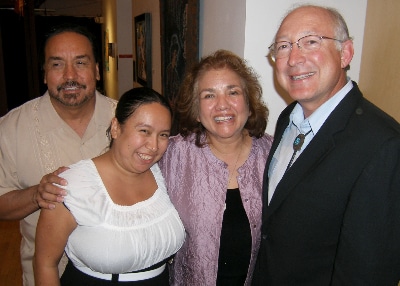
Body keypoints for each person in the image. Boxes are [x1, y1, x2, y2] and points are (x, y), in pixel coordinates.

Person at [252, 4, 400, 285]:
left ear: (345, 53)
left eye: (311, 42)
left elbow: (370, 273)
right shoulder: (288, 119)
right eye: (283, 46)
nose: (294, 58)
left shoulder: (383, 147)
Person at [0, 23, 117, 285]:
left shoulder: (127, 121)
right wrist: (35, 195)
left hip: (118, 273)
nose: (69, 75)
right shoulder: (10, 129)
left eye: (80, 63)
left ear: (97, 70)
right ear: (44, 74)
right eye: (56, 64)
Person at [34, 87, 185, 286]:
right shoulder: (72, 185)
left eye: (163, 135)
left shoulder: (164, 173)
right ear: (116, 128)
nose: (154, 145)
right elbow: (45, 264)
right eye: (144, 131)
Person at [159, 49, 273, 285]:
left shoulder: (275, 155)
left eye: (233, 92)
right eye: (209, 96)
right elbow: (125, 165)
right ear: (196, 111)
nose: (222, 105)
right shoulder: (172, 154)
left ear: (249, 104)